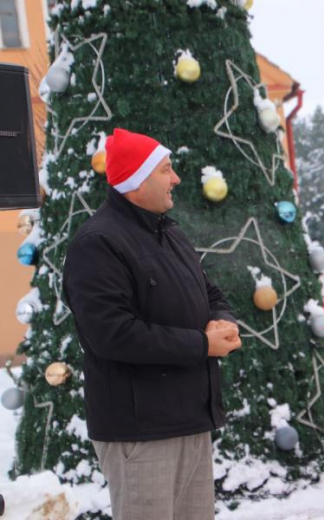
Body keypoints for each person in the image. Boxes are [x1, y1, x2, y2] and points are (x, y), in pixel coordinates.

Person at [63, 128, 242, 520]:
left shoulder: (170, 233)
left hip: (191, 419)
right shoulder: (98, 243)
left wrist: (222, 323)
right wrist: (201, 345)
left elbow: (210, 294)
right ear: (136, 180)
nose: (176, 178)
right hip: (140, 432)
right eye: (166, 170)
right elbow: (112, 335)